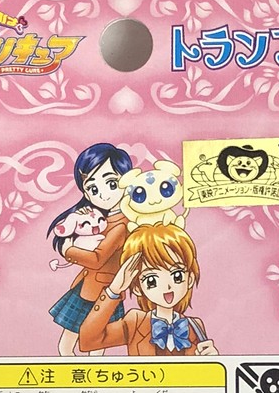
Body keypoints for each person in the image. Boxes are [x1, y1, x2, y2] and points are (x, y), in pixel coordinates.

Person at [79, 223, 218, 356]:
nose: (167, 286)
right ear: (138, 288)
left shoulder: (195, 327)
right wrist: (114, 290)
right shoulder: (135, 322)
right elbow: (88, 341)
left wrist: (213, 360)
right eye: (152, 280)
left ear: (190, 279)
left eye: (177, 275)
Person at [47, 143, 133, 355]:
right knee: (80, 348)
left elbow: (97, 259)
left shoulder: (121, 225)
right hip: (90, 288)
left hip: (100, 293)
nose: (102, 195)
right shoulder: (104, 218)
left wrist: (68, 250)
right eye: (93, 189)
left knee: (76, 347)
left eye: (111, 183)